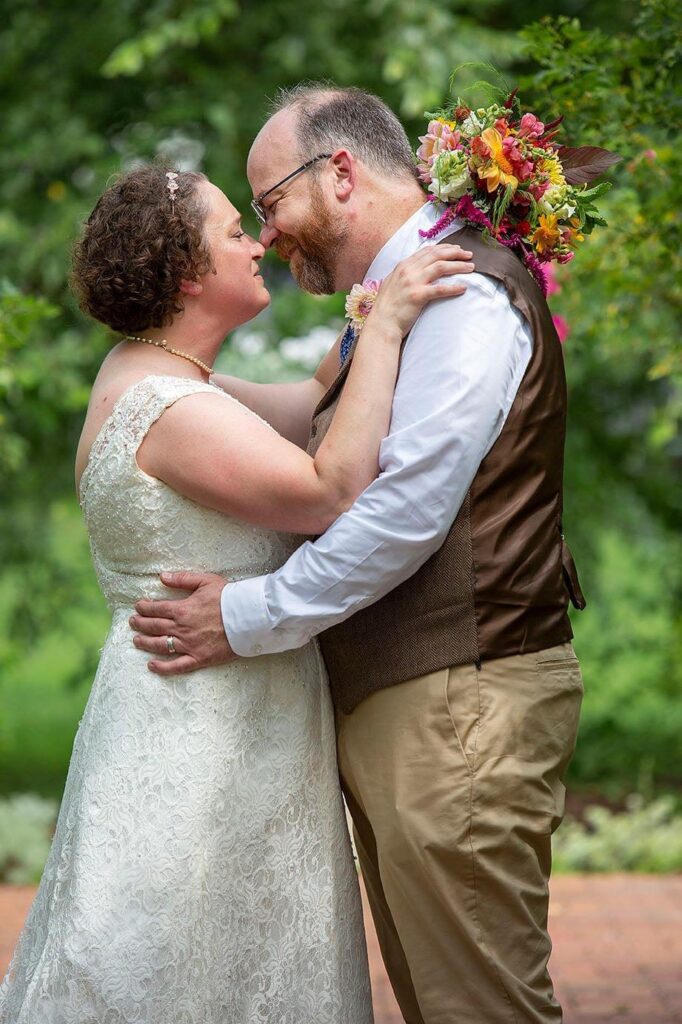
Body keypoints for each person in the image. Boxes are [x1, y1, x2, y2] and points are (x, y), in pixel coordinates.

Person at [132, 85, 587, 1024]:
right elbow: (309, 413)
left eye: (269, 204)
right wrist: (157, 373)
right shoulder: (393, 301)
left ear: (339, 173)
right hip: (423, 702)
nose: (267, 235)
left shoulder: (458, 287)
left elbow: (403, 514)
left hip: (460, 700)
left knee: (481, 1007)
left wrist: (244, 616)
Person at [0, 164, 473, 1024]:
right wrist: (397, 323)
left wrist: (372, 300)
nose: (257, 243)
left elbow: (305, 401)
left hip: (217, 712)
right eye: (232, 232)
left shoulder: (159, 375)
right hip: (201, 734)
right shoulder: (168, 407)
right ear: (187, 272)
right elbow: (330, 488)